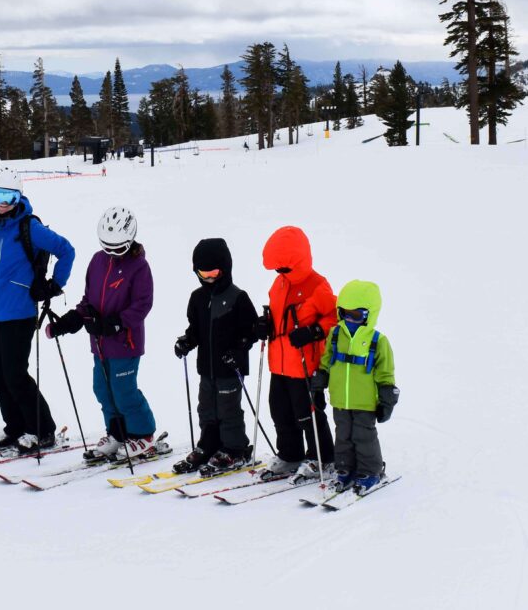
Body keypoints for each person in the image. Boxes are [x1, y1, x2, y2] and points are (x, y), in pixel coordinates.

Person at [0, 169, 76, 455]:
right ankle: (14, 426)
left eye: (10, 196)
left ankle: (42, 429)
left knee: (15, 375)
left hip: (19, 314)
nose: (4, 202)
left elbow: (67, 250)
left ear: (19, 196)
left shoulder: (30, 227)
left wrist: (54, 285)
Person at [45, 207, 157, 462]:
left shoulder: (139, 267)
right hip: (99, 344)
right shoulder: (97, 261)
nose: (111, 253)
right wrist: (71, 320)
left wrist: (117, 323)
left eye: (117, 249)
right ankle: (117, 434)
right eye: (107, 247)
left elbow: (143, 304)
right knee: (102, 390)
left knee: (124, 390)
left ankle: (143, 435)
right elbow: (89, 300)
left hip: (125, 343)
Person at [255, 226, 337, 483]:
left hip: (305, 364)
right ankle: (291, 455)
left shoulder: (317, 285)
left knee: (308, 414)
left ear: (299, 261)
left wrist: (314, 331)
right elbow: (279, 317)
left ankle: (322, 458)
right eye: (277, 269)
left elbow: (335, 317)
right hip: (278, 363)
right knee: (279, 411)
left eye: (285, 268)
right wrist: (265, 324)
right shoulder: (278, 284)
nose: (280, 273)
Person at [173, 238, 259, 475]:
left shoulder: (238, 297)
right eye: (203, 273)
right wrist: (187, 341)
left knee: (228, 410)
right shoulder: (197, 298)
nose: (209, 278)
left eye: (213, 272)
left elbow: (250, 332)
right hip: (206, 369)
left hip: (229, 368)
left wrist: (238, 351)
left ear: (225, 268)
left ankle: (235, 449)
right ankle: (208, 445)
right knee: (206, 409)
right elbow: (196, 330)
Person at [309, 280, 399, 494]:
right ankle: (345, 469)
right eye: (344, 313)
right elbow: (326, 361)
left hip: (365, 402)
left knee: (363, 437)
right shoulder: (336, 334)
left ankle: (371, 471)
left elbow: (385, 373)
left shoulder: (378, 341)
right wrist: (319, 383)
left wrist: (387, 398)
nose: (349, 319)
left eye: (356, 315)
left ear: (369, 314)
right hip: (340, 399)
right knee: (343, 436)